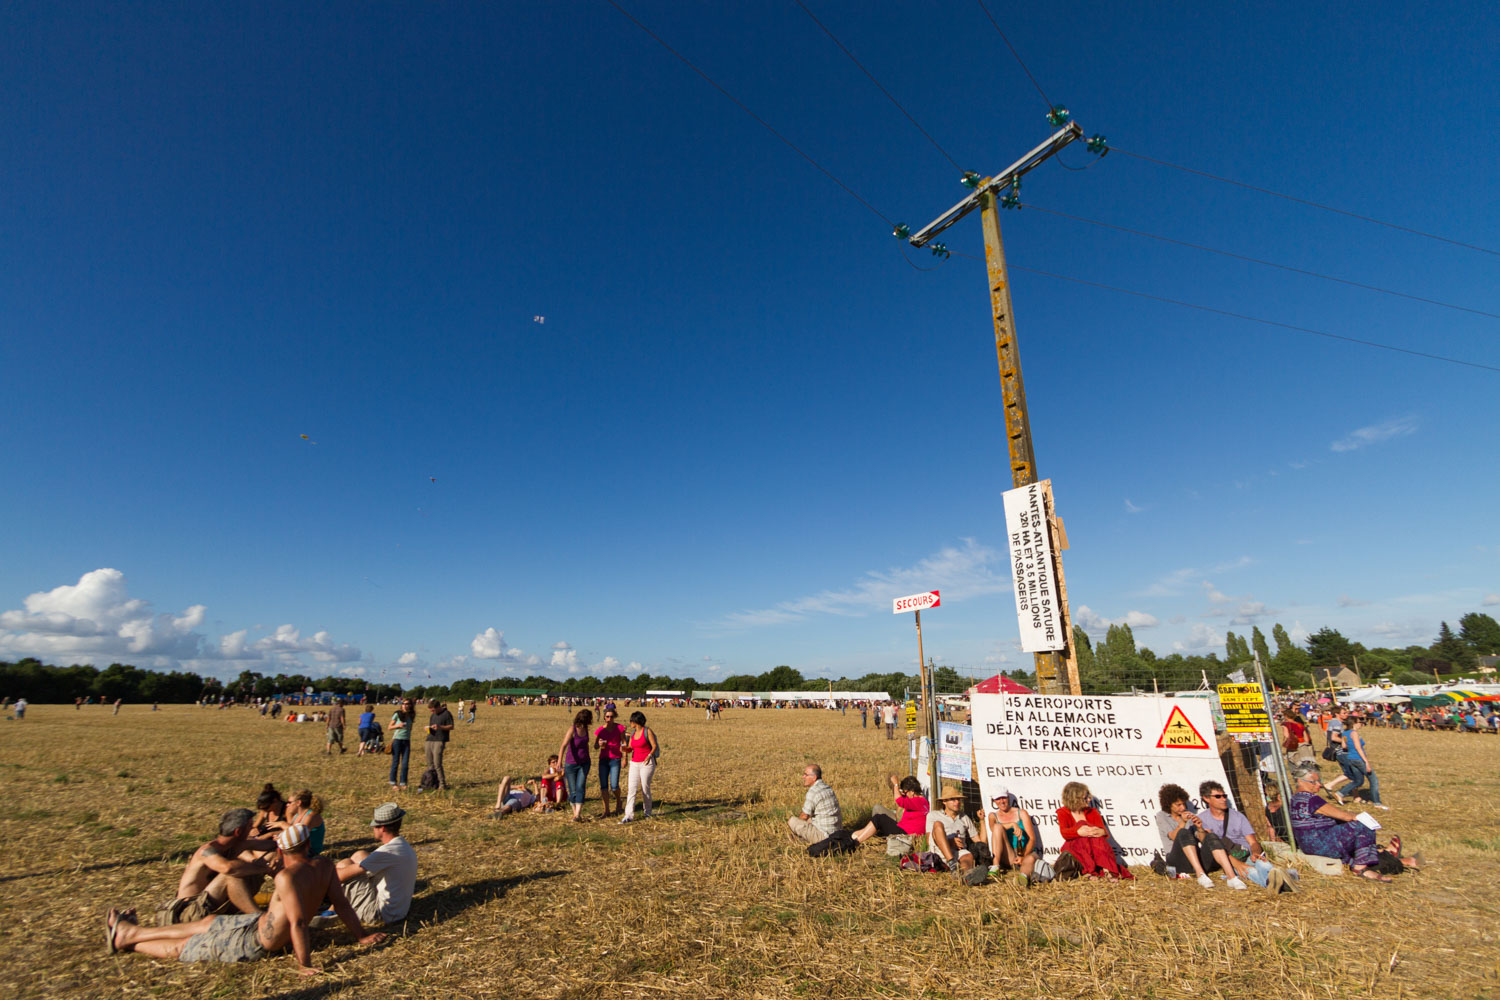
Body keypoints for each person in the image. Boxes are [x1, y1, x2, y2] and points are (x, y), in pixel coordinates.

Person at [108, 824, 385, 972]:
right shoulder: (324, 865)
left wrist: (304, 964)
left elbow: (299, 923)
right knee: (209, 922)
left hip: (255, 943)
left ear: (282, 851)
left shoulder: (286, 878)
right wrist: (360, 936)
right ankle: (135, 931)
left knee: (186, 947)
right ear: (308, 846)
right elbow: (342, 904)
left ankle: (127, 939)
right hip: (257, 923)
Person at [163, 809, 278, 923]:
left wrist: (285, 837)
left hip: (214, 905)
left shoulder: (237, 845)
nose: (252, 829)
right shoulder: (206, 851)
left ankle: (284, 899)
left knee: (272, 856)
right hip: (190, 912)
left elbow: (274, 846)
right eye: (249, 826)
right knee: (231, 875)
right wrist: (263, 867)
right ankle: (260, 918)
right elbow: (228, 868)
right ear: (238, 832)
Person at [1287, 761, 1389, 882]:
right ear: (1300, 781)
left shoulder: (1296, 799)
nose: (1319, 784)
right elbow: (1344, 816)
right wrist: (1357, 816)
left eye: (1319, 781)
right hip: (1320, 844)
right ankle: (1361, 868)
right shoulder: (1311, 799)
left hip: (1308, 844)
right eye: (1313, 782)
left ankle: (1378, 856)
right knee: (1363, 825)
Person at [330, 802, 419, 925]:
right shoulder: (401, 845)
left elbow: (338, 877)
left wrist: (327, 873)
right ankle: (334, 906)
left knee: (344, 865)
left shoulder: (386, 853)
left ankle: (333, 908)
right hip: (399, 910)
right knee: (359, 855)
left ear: (382, 828)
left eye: (375, 826)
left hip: (380, 914)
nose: (372, 829)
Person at [1154, 783, 1242, 888]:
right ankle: (1201, 875)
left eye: (1184, 804)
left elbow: (1203, 840)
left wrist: (1200, 828)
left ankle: (1231, 877)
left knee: (1211, 836)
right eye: (1178, 805)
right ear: (1169, 805)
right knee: (1183, 833)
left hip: (1194, 858)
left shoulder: (1188, 814)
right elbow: (1173, 836)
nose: (1183, 807)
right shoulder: (1162, 816)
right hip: (1176, 860)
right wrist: (1183, 822)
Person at [1057, 782, 1133, 880]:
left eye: (1089, 796)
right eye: (1085, 798)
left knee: (1094, 836)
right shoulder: (1063, 812)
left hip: (1094, 846)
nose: (1089, 799)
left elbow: (1103, 832)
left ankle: (1102, 869)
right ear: (1075, 799)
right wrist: (1078, 832)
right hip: (1075, 848)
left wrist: (1100, 832)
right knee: (1082, 828)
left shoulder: (1092, 812)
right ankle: (1102, 869)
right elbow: (1064, 833)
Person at [850, 775, 928, 846]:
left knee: (879, 818)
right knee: (879, 816)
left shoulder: (917, 801)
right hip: (906, 830)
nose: (904, 794)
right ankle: (854, 835)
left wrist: (896, 785)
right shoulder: (922, 801)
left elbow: (899, 800)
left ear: (912, 792)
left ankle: (856, 842)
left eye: (905, 792)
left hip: (906, 833)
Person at [983, 790, 1039, 884]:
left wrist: (1023, 855)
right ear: (994, 801)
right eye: (998, 799)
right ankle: (995, 866)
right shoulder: (993, 816)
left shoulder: (1021, 813)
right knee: (997, 827)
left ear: (1008, 798)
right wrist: (1012, 824)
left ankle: (1023, 877)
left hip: (1024, 851)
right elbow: (993, 829)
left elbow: (1032, 839)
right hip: (1009, 854)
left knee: (1031, 858)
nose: (1002, 801)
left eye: (1004, 798)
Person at [927, 785, 981, 874]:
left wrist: (982, 821)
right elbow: (929, 840)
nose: (957, 802)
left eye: (958, 799)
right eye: (953, 799)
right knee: (938, 824)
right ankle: (951, 863)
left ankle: (966, 875)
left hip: (959, 852)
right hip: (939, 852)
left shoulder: (964, 817)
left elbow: (978, 840)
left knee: (968, 856)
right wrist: (949, 842)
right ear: (944, 801)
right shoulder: (933, 815)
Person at [788, 763, 842, 844]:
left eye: (806, 775)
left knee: (792, 821)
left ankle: (799, 839)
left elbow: (804, 816)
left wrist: (795, 829)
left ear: (814, 777)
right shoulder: (827, 788)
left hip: (825, 837)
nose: (803, 777)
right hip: (836, 832)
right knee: (810, 819)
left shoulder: (813, 791)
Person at [620, 712, 659, 824]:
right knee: (631, 789)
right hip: (634, 763)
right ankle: (628, 815)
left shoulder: (647, 731)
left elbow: (654, 745)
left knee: (645, 788)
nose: (630, 723)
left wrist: (649, 755)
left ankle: (648, 812)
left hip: (646, 763)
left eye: (631, 721)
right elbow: (631, 747)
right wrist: (624, 750)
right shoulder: (633, 733)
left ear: (636, 722)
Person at [557, 709, 594, 821]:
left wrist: (587, 756)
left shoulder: (586, 729)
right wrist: (559, 761)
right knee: (572, 790)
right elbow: (563, 745)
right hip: (571, 764)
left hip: (584, 763)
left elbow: (586, 744)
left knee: (580, 787)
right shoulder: (572, 729)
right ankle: (575, 814)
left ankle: (577, 814)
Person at [1342, 717, 1388, 810]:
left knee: (1358, 781)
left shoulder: (1345, 733)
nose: (1361, 724)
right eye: (1359, 722)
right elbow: (1358, 748)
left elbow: (1344, 746)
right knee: (1373, 780)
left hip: (1351, 758)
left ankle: (1340, 793)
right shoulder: (1354, 733)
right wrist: (1366, 762)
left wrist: (1351, 747)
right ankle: (1377, 803)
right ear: (1354, 723)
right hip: (1358, 759)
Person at [594, 707, 626, 819]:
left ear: (614, 717)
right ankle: (606, 810)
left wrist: (625, 757)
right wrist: (599, 743)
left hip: (615, 759)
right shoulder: (600, 730)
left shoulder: (620, 728)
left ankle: (618, 802)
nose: (609, 719)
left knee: (614, 786)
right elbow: (595, 746)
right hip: (603, 759)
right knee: (603, 786)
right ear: (604, 717)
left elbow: (624, 743)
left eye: (611, 717)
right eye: (607, 717)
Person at [424, 698, 454, 792]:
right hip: (430, 739)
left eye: (433, 710)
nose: (432, 712)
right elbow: (432, 727)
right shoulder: (432, 716)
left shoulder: (446, 714)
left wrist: (440, 727)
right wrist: (428, 729)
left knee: (437, 763)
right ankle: (432, 782)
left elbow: (451, 726)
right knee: (430, 763)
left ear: (438, 707)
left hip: (440, 740)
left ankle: (442, 784)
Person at [288, 791, 326, 857]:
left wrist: (281, 824)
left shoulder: (311, 816)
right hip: (298, 848)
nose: (287, 805)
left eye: (289, 802)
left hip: (310, 852)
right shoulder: (296, 816)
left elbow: (299, 834)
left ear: (298, 803)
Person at [389, 698, 415, 792]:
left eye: (407, 704)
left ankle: (403, 782)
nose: (405, 705)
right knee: (395, 762)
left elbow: (410, 728)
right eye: (404, 703)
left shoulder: (411, 715)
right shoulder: (397, 714)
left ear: (410, 705)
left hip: (406, 740)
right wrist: (398, 726)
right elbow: (389, 727)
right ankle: (393, 782)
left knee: (405, 763)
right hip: (397, 740)